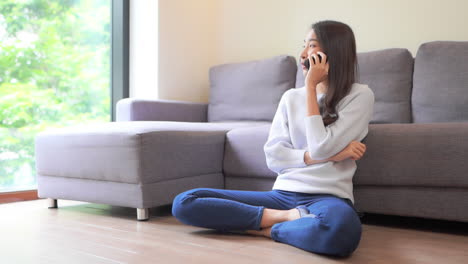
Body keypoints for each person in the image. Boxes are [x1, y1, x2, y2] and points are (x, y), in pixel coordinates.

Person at [171, 20, 375, 258]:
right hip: (282, 195)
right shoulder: (290, 98)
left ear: (334, 51)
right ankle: (287, 219)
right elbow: (274, 156)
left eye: (311, 46)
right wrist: (328, 156)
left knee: (342, 232)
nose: (302, 54)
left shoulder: (360, 96)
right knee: (184, 201)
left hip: (328, 197)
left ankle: (264, 229)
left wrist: (310, 89)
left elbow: (321, 146)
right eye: (304, 46)